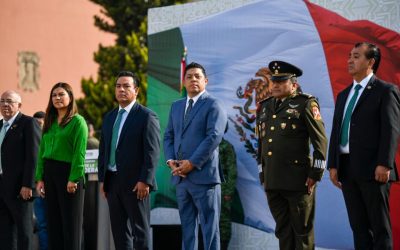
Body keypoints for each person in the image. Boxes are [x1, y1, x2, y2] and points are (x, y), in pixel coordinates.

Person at [327, 42, 400, 250]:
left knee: (379, 228)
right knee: (358, 228)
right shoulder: (344, 94)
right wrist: (333, 164)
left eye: (356, 56)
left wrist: (384, 164)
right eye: (349, 55)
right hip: (347, 168)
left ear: (371, 62)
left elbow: (391, 130)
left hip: (374, 169)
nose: (350, 60)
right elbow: (336, 130)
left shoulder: (385, 91)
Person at [256, 61, 328, 250]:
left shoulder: (305, 103)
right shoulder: (264, 106)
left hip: (298, 180)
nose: (276, 85)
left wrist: (315, 174)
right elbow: (261, 144)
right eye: (273, 81)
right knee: (283, 231)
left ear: (293, 84)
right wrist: (262, 173)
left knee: (302, 232)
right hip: (272, 180)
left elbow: (320, 142)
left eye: (281, 81)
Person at [164, 62, 228, 250]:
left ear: (205, 81)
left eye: (197, 76)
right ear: (183, 82)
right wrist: (171, 162)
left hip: (204, 177)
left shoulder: (213, 104)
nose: (193, 79)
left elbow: (214, 136)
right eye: (189, 76)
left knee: (210, 230)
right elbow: (169, 135)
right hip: (182, 179)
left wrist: (192, 163)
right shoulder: (176, 106)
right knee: (188, 229)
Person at [98, 71, 160, 250]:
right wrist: (103, 179)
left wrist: (145, 180)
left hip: (137, 184)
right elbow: (104, 150)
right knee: (119, 233)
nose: (121, 90)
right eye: (118, 86)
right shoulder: (109, 117)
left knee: (140, 232)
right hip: (112, 182)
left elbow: (152, 152)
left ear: (137, 90)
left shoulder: (146, 116)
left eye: (126, 86)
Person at [35, 82, 88, 250]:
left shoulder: (78, 122)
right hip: (49, 175)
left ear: (70, 97)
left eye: (61, 94)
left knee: (70, 226)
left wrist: (74, 178)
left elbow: (79, 153)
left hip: (69, 175)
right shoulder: (49, 122)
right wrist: (39, 178)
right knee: (54, 225)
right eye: (54, 95)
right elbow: (41, 152)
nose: (57, 98)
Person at [0, 90, 41, 250]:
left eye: (9, 101)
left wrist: (28, 185)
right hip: (2, 187)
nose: (5, 105)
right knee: (5, 233)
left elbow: (34, 157)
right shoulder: (0, 126)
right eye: (2, 101)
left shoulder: (28, 123)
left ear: (19, 105)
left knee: (24, 232)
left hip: (20, 189)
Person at [33, 111, 48, 250]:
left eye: (41, 123)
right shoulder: (30, 139)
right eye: (36, 123)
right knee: (42, 224)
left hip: (52, 186)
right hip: (37, 188)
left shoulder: (50, 138)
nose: (39, 126)